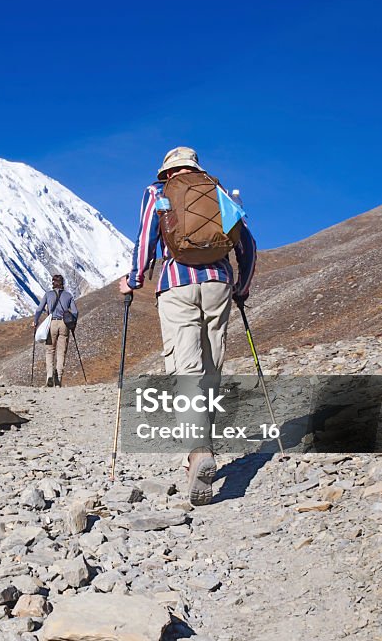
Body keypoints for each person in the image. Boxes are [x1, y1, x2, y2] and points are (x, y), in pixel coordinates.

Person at [118, 146, 256, 504]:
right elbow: (248, 246)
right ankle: (203, 447)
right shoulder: (219, 192)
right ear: (196, 168)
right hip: (218, 284)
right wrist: (240, 287)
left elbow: (146, 238)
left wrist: (133, 279)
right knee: (210, 371)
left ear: (167, 172)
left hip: (176, 285)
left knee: (186, 371)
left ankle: (197, 453)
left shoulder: (158, 194)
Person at [32, 274, 79, 387]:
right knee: (61, 352)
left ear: (53, 283)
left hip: (51, 323)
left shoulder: (48, 295)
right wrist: (73, 323)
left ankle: (49, 376)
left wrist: (35, 321)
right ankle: (58, 378)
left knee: (50, 350)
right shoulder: (68, 296)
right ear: (63, 283)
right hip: (64, 324)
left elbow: (39, 309)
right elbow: (75, 312)